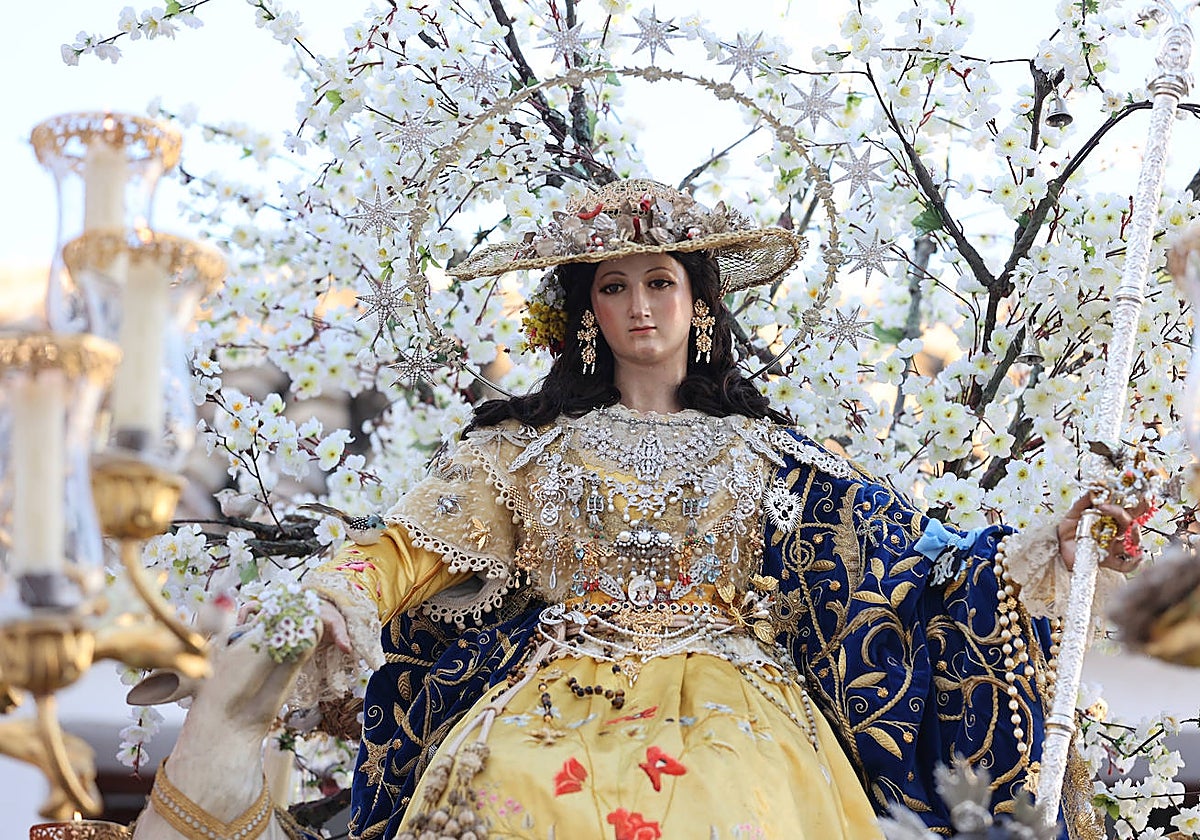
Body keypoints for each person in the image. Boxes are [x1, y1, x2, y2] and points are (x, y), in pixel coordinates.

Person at [293, 179, 1142, 840]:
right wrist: (339, 593)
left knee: (737, 796)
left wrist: (1045, 552)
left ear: (698, 302)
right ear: (587, 314)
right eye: (613, 287)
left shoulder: (765, 450)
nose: (638, 307)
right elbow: (410, 546)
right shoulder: (524, 450)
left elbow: (909, 561)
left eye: (659, 282)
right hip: (552, 698)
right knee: (503, 788)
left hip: (737, 708)